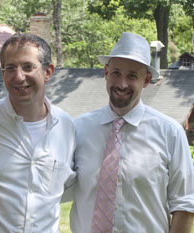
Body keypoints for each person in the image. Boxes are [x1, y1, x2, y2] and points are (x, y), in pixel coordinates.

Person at [66, 32, 194, 233]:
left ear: (146, 79)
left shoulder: (170, 133)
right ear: (106, 72)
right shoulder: (77, 129)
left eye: (132, 75)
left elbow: (185, 205)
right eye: (116, 73)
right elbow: (54, 189)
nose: (122, 84)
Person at [0, 33, 77, 232]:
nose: (18, 76)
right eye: (10, 68)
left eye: (28, 67)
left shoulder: (65, 127)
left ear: (48, 71)